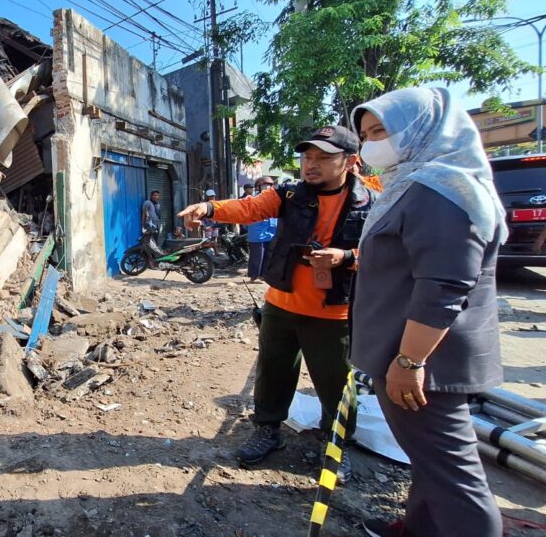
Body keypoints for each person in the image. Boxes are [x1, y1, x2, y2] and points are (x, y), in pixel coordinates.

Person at [178, 126, 378, 481]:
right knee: (272, 373)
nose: (311, 165)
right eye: (307, 157)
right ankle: (268, 430)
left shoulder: (372, 202)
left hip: (335, 313)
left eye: (323, 158)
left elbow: (386, 256)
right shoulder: (288, 195)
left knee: (335, 384)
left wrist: (347, 256)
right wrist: (209, 207)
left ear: (349, 161)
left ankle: (334, 445)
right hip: (281, 306)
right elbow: (248, 207)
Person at [350, 88, 506, 537]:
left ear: (421, 129)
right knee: (430, 461)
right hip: (410, 355)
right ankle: (419, 529)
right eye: (366, 134)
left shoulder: (442, 190)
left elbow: (444, 285)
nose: (372, 143)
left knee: (455, 478)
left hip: (424, 363)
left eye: (381, 131)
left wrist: (409, 361)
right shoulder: (416, 183)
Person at [246, 177, 277, 281]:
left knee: (269, 256)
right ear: (258, 187)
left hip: (271, 232)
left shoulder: (274, 199)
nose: (266, 188)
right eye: (264, 186)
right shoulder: (254, 200)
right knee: (257, 256)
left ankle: (264, 275)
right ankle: (253, 276)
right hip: (257, 233)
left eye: (269, 185)